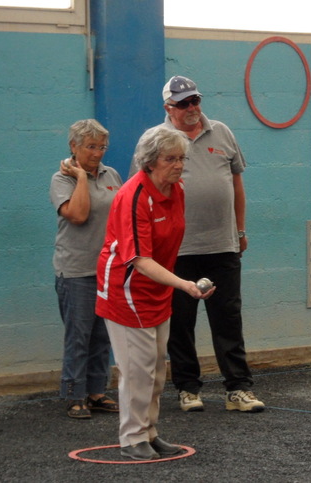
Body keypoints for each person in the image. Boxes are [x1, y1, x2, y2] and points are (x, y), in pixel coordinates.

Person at [96, 125, 214, 461]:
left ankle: (150, 431)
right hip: (126, 289)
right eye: (170, 159)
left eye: (181, 158)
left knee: (158, 369)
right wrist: (185, 284)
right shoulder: (134, 196)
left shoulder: (177, 191)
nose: (178, 165)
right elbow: (140, 260)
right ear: (150, 161)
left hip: (157, 288)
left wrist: (176, 284)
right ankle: (132, 438)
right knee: (138, 369)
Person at [159, 75, 265, 413]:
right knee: (180, 323)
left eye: (195, 100)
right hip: (178, 252)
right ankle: (188, 389)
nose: (192, 108)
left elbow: (237, 184)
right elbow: (148, 193)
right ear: (168, 108)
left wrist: (241, 232)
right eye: (183, 103)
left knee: (228, 320)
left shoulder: (222, 132)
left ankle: (238, 390)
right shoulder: (158, 140)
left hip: (223, 245)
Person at [50, 119, 123, 419]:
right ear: (74, 147)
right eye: (91, 147)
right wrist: (81, 177)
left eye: (102, 146)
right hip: (76, 269)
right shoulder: (61, 179)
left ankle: (96, 392)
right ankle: (74, 394)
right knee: (79, 334)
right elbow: (78, 214)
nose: (97, 153)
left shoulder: (112, 175)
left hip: (107, 269)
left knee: (102, 336)